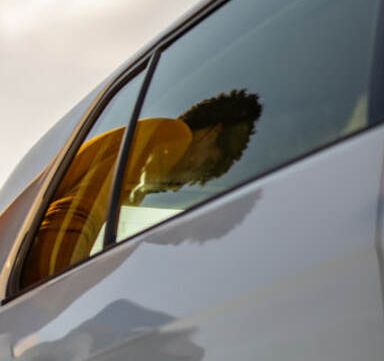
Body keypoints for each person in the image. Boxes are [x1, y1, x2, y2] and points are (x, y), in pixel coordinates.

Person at [26, 88, 262, 281]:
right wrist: (50, 301)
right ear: (211, 133)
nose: (178, 188)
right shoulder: (175, 135)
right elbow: (75, 214)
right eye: (206, 164)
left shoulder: (143, 150)